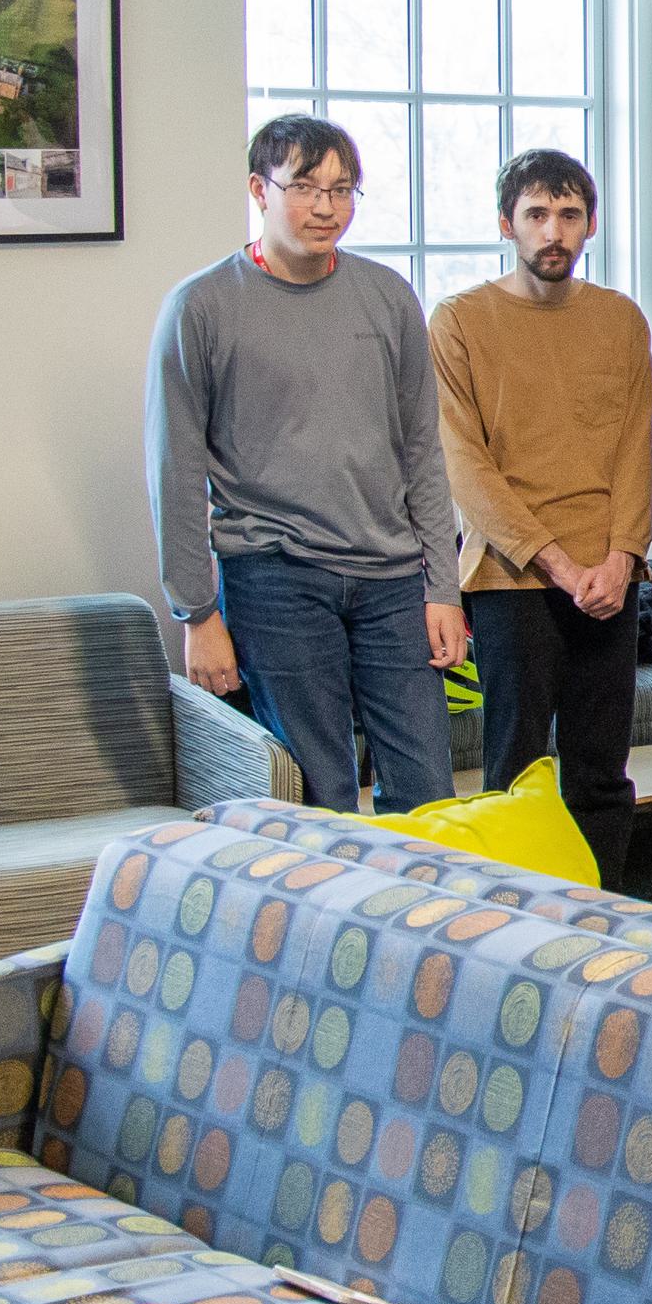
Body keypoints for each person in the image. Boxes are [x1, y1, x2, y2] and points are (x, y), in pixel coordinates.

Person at [149, 113, 467, 815]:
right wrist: (197, 612)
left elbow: (422, 449)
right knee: (322, 794)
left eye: (343, 189)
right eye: (306, 187)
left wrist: (443, 587)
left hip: (391, 577)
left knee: (428, 792)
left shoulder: (387, 297)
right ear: (260, 190)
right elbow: (175, 469)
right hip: (275, 577)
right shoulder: (201, 307)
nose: (327, 207)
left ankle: (415, 926)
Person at [427, 148, 652, 879]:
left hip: (609, 584)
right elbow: (466, 467)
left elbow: (633, 449)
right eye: (536, 215)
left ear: (590, 224)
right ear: (506, 223)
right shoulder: (460, 321)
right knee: (516, 772)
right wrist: (555, 559)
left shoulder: (620, 319)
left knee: (600, 771)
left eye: (569, 215)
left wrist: (621, 558)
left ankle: (610, 916)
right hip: (509, 580)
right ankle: (521, 932)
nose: (553, 231)